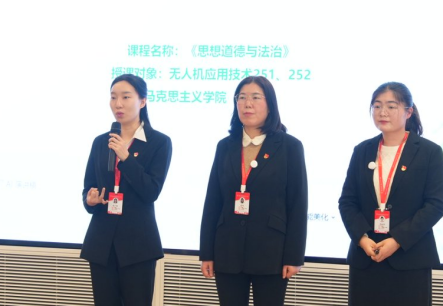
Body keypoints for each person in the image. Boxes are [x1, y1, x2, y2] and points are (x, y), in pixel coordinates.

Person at [199, 76, 308, 306]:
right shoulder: (225, 146)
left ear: (270, 104)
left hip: (271, 253)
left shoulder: (289, 146)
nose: (247, 104)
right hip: (228, 250)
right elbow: (213, 201)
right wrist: (206, 252)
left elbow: (298, 204)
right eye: (242, 98)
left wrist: (294, 256)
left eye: (256, 97)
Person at [338, 82, 443, 306]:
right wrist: (361, 238)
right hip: (366, 257)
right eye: (377, 106)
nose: (382, 112)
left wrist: (397, 240)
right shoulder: (362, 150)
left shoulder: (429, 152)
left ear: (409, 111)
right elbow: (347, 201)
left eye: (391, 106)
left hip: (409, 258)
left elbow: (435, 205)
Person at [80, 74, 172, 306]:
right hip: (102, 243)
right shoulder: (101, 142)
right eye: (113, 97)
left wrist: (126, 158)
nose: (118, 104)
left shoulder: (159, 142)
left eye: (126, 97)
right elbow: (88, 187)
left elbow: (151, 191)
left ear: (143, 101)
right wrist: (90, 199)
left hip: (138, 245)